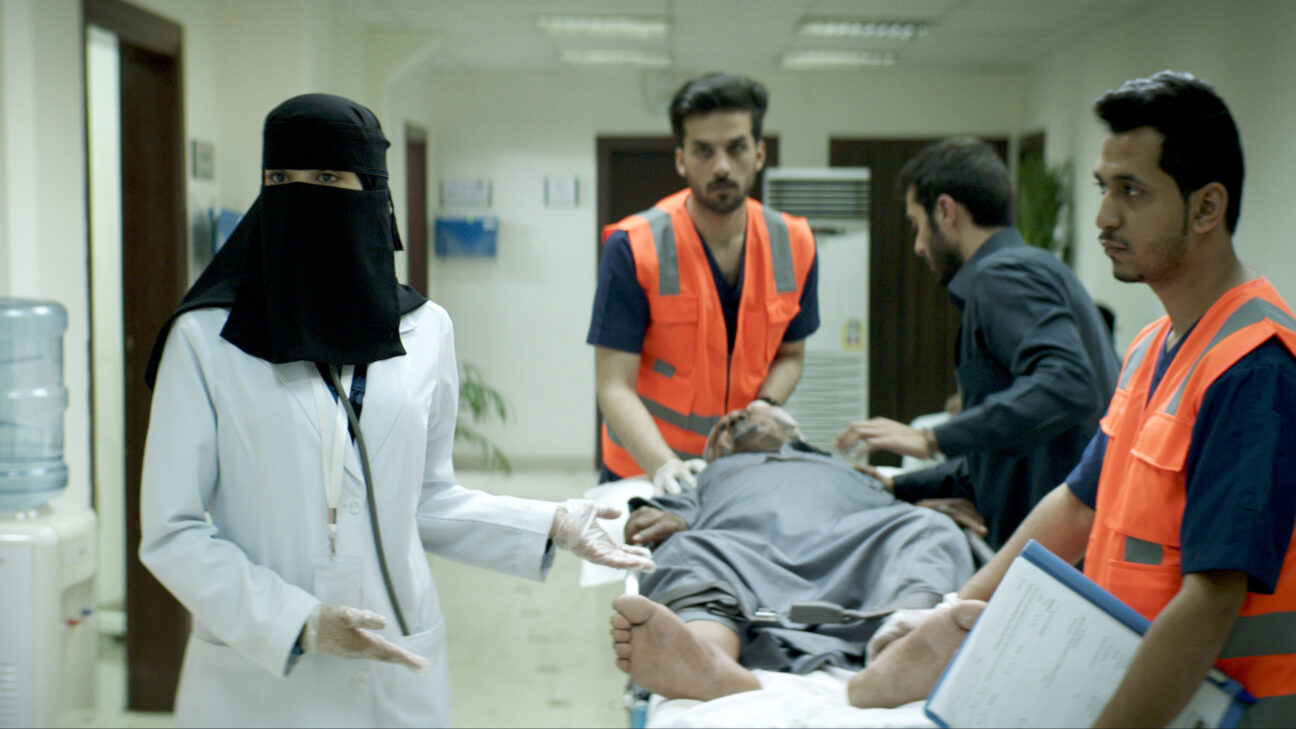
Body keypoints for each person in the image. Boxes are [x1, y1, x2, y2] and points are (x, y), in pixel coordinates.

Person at [137, 93, 654, 728]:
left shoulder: (426, 329)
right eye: (280, 178)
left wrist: (552, 524)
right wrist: (296, 622)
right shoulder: (206, 339)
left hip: (395, 660)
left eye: (327, 178)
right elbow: (173, 531)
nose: (302, 195)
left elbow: (424, 499)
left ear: (371, 192)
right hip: (256, 678)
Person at [850, 71, 1296, 727]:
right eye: (1103, 188)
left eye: (1131, 191)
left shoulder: (1255, 366)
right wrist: (954, 612)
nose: (1104, 217)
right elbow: (1078, 504)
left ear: (1206, 208)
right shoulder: (1152, 347)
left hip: (1224, 710)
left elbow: (1210, 601)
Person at [835, 138, 1120, 549]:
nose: (918, 246)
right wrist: (894, 485)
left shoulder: (1003, 276)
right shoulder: (1032, 269)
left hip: (1059, 558)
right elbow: (996, 461)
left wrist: (931, 440)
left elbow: (1069, 384)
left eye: (916, 225)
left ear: (946, 211)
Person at [610, 408, 975, 702]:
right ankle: (707, 656)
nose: (735, 418)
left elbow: (892, 514)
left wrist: (920, 509)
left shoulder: (849, 471)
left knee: (929, 527)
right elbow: (649, 523)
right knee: (684, 548)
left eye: (752, 415)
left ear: (793, 434)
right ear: (717, 453)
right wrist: (663, 518)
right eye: (724, 429)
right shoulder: (704, 477)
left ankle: (901, 650)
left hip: (851, 551)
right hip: (745, 556)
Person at [587, 72, 819, 495]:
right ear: (681, 160)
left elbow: (791, 354)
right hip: (644, 473)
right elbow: (613, 384)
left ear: (759, 153)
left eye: (736, 148)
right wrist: (665, 467)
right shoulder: (633, 246)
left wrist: (765, 405)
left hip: (741, 468)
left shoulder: (795, 243)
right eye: (703, 151)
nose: (722, 167)